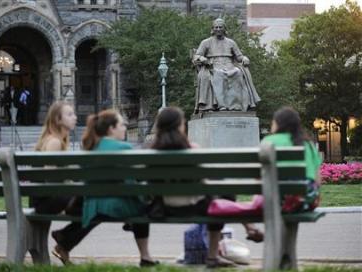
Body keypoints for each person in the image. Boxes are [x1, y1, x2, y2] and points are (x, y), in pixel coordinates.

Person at [150, 106, 235, 268]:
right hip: (196, 207)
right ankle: (212, 256)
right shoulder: (193, 149)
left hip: (163, 208)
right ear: (180, 126)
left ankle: (144, 256)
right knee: (225, 194)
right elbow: (206, 178)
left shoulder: (150, 152)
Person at [81, 109, 158, 267]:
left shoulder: (91, 147)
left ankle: (146, 257)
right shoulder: (123, 148)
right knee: (142, 208)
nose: (126, 127)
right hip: (114, 206)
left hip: (91, 206)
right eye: (122, 124)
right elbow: (131, 183)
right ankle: (145, 256)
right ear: (111, 128)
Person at [30, 101, 94, 265]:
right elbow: (50, 175)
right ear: (58, 120)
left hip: (46, 198)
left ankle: (64, 242)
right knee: (94, 207)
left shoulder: (56, 140)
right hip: (47, 200)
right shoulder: (54, 142)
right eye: (70, 114)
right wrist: (67, 202)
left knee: (92, 205)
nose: (75, 117)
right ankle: (64, 241)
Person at [193, 18, 261, 113]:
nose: (218, 29)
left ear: (224, 29)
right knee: (218, 74)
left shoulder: (231, 42)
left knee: (237, 73)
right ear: (212, 29)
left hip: (229, 64)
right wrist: (202, 59)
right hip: (213, 65)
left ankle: (236, 106)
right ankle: (221, 105)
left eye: (220, 27)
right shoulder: (206, 42)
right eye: (216, 27)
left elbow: (239, 56)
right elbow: (196, 55)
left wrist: (244, 58)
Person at [262, 106, 322, 212]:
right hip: (305, 198)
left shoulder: (268, 141)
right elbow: (317, 180)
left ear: (278, 124)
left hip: (278, 198)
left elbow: (261, 173)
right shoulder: (308, 144)